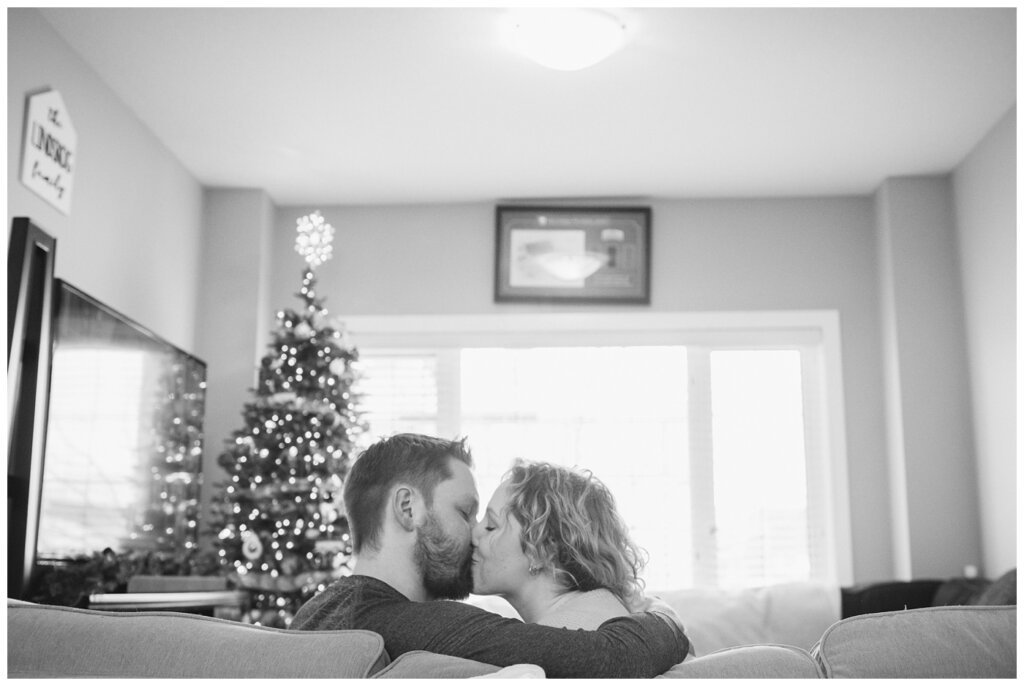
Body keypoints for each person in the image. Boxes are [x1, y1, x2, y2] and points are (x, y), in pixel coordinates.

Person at [291, 433, 689, 678]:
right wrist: (667, 622)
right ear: (407, 509)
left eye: (488, 521)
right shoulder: (414, 624)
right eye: (465, 512)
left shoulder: (313, 613)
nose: (475, 533)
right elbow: (615, 659)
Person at [472, 459, 649, 630]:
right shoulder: (602, 609)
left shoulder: (565, 638)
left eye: (491, 527)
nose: (473, 535)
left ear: (543, 551)